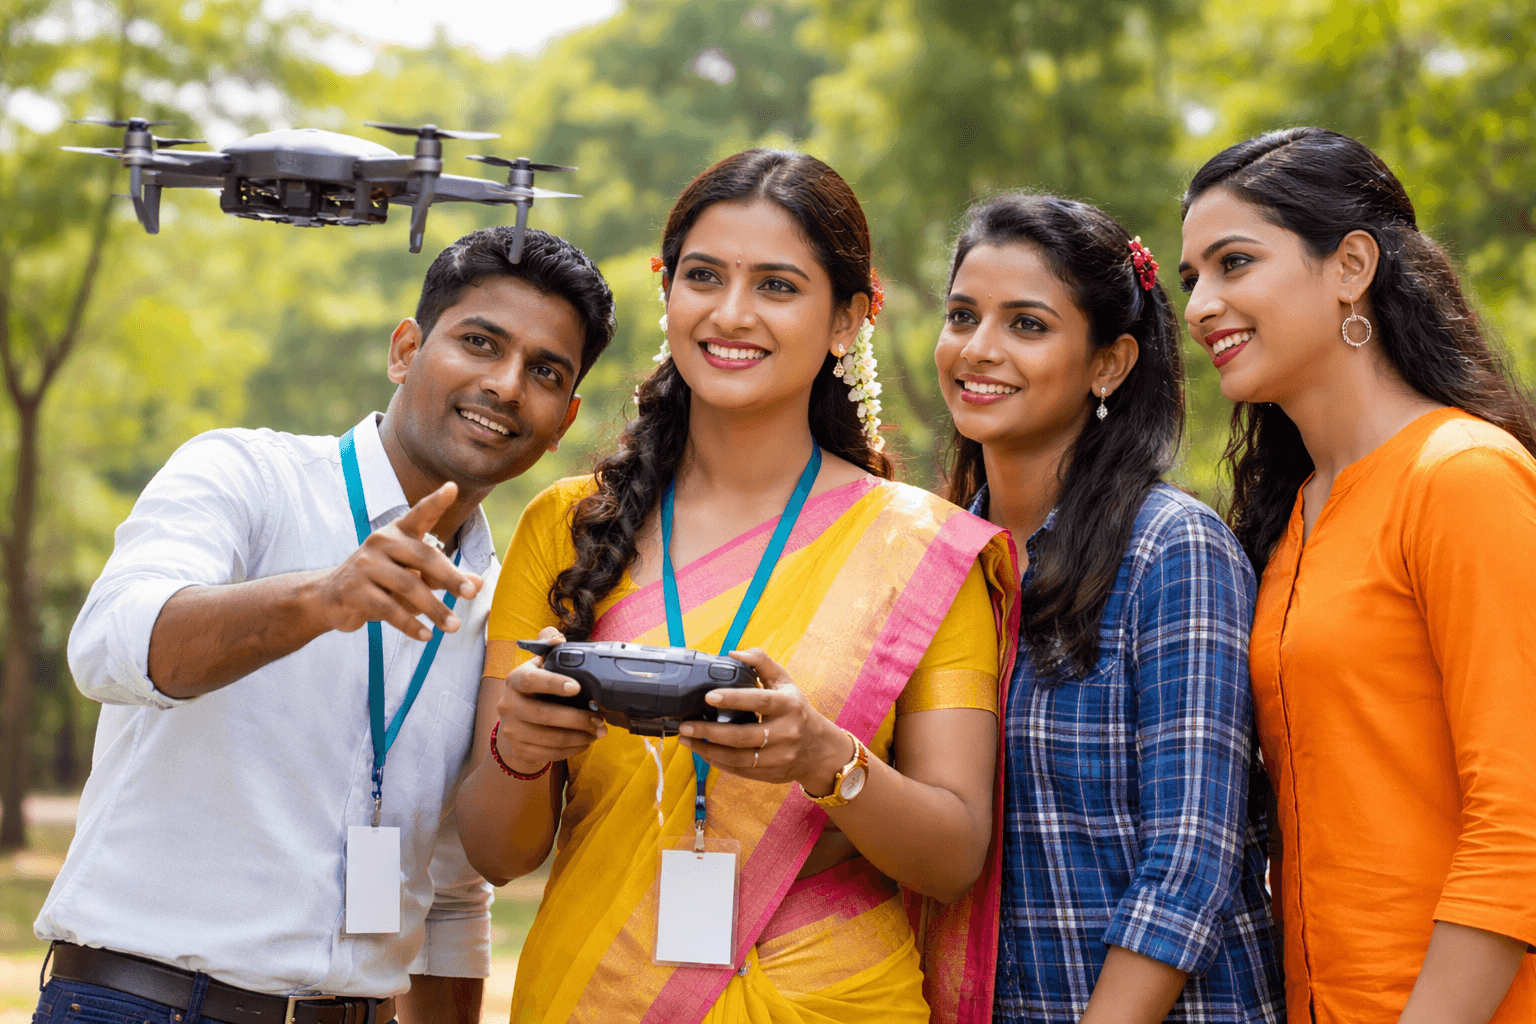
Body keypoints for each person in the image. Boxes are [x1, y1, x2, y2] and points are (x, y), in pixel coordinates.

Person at [455, 149, 1017, 1024]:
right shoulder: (565, 528)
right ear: (667, 291)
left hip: (835, 999)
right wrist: (519, 751)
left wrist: (827, 761)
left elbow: (954, 855)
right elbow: (498, 853)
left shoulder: (921, 546)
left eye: (778, 286)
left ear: (848, 319)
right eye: (704, 276)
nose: (731, 313)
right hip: (596, 993)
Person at [32, 226, 615, 1024]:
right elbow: (108, 647)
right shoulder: (245, 474)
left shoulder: (488, 606)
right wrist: (319, 600)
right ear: (405, 350)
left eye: (545, 371)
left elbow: (447, 892)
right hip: (142, 1003)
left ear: (564, 418)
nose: (508, 385)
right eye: (480, 342)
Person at [1179, 126, 1536, 1024]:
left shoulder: (1459, 476)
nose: (1201, 305)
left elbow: (1521, 817)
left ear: (1350, 266)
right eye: (1193, 280)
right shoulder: (1290, 517)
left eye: (1234, 263)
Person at [936, 193, 1283, 1023]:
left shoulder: (1171, 551)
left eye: (1027, 324)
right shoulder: (936, 557)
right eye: (962, 315)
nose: (978, 350)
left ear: (1109, 363)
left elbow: (1190, 861)